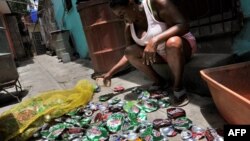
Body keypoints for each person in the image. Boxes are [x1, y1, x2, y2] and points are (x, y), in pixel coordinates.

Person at [101, 0, 197, 106]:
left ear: (132, 4)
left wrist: (155, 40)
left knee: (172, 43)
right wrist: (111, 73)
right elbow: (128, 55)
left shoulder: (156, 4)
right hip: (161, 56)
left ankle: (178, 87)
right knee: (130, 51)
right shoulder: (129, 26)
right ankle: (159, 82)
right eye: (119, 17)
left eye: (122, 14)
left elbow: (183, 25)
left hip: (181, 48)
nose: (122, 19)